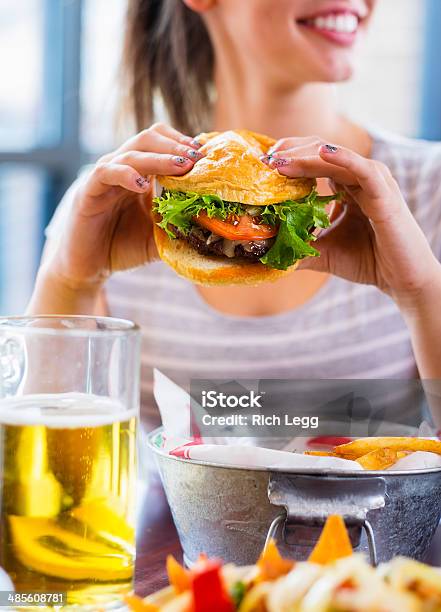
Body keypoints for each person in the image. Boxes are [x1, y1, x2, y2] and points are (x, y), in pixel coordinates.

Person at [29, 0, 441, 429]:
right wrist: (71, 282)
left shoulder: (430, 187)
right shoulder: (112, 198)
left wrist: (421, 292)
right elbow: (48, 470)